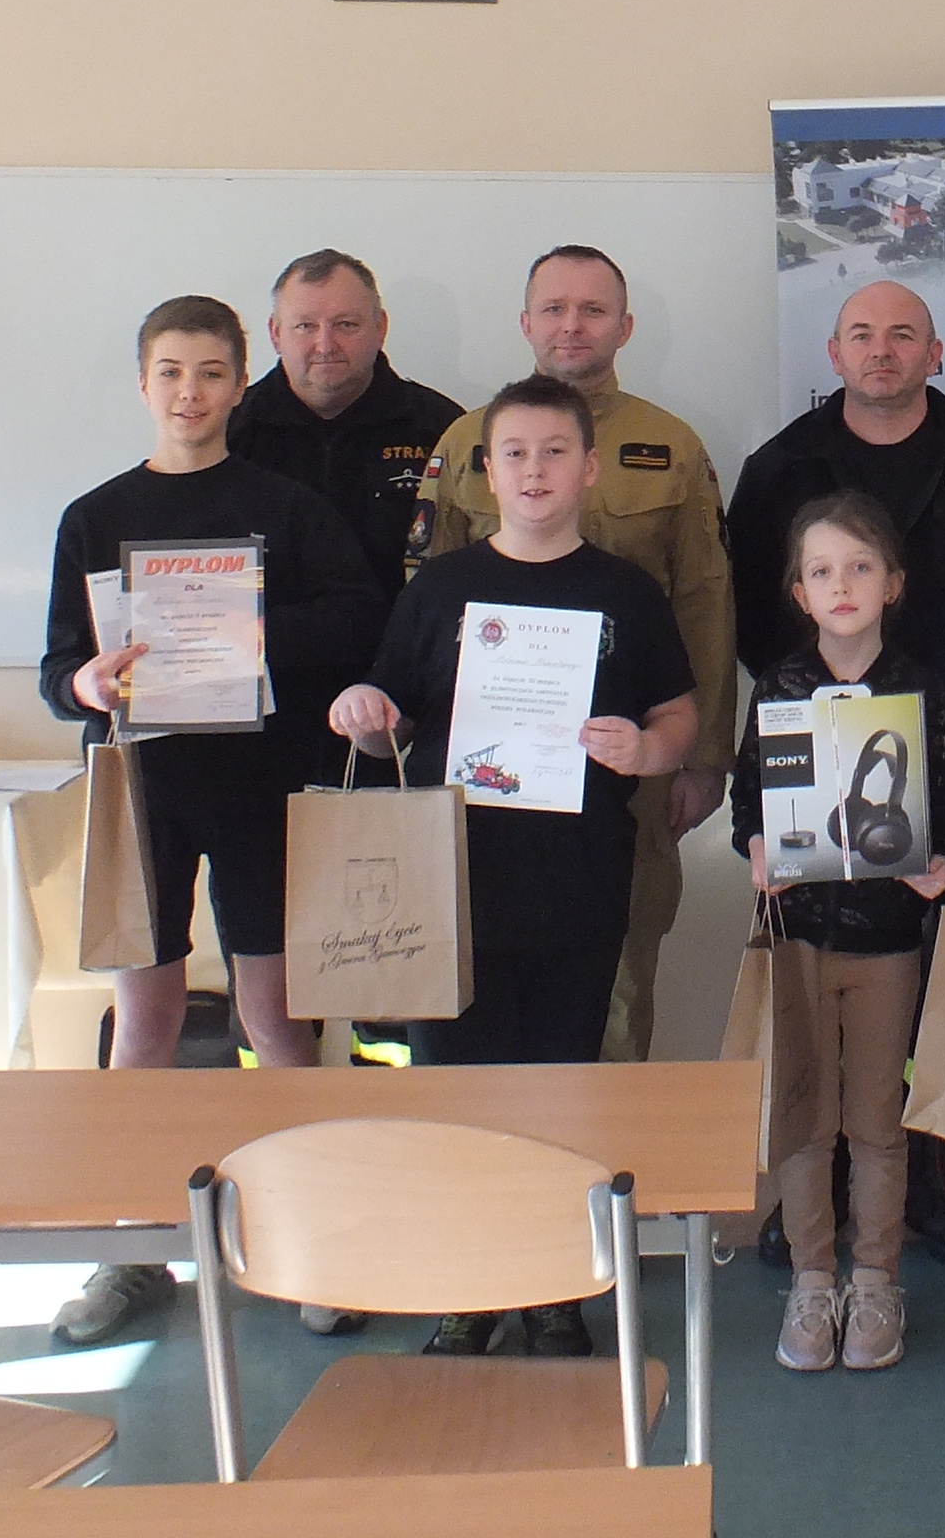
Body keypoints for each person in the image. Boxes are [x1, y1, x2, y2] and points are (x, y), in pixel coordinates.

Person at [37, 295, 385, 1345]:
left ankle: (311, 1242)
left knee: (274, 1023)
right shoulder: (95, 515)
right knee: (142, 1028)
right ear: (143, 385)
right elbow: (58, 670)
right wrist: (87, 685)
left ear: (241, 384)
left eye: (210, 373)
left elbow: (356, 615)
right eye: (170, 373)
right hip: (141, 789)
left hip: (260, 787)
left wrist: (247, 630)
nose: (189, 393)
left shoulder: (284, 506)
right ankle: (133, 1250)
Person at [331, 373, 700, 1358]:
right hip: (453, 889)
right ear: (485, 473)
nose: (534, 471)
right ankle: (472, 1286)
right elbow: (389, 718)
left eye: (554, 452)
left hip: (578, 882)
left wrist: (648, 751)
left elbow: (677, 715)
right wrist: (361, 711)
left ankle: (553, 1288)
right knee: (458, 1094)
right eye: (515, 454)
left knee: (562, 1089)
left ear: (589, 468)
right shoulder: (440, 588)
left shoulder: (625, 593)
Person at [727, 279, 945, 1266]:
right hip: (817, 761)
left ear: (935, 354)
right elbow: (749, 617)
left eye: (903, 335)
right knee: (821, 1006)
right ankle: (819, 1189)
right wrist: (813, 717)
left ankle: (935, 1177)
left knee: (933, 988)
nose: (881, 350)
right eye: (862, 334)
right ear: (834, 353)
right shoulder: (780, 467)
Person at [405, 246, 736, 1066]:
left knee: (613, 979)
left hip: (618, 776)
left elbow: (704, 604)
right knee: (465, 995)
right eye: (554, 308)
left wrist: (702, 757)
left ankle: (602, 1146)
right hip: (480, 788)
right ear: (526, 323)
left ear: (625, 326)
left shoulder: (673, 445)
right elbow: (424, 596)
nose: (572, 326)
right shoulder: (467, 439)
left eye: (593, 310)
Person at [728, 492, 945, 1375]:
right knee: (804, 1119)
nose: (842, 584)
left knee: (875, 1121)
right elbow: (750, 799)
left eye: (861, 567)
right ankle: (812, 1278)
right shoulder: (781, 688)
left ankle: (875, 1280)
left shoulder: (921, 687)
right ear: (799, 592)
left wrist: (941, 861)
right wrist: (757, 847)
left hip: (887, 941)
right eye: (822, 571)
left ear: (893, 583)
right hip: (797, 936)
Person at [225, 249, 466, 599]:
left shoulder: (443, 429)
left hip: (402, 635)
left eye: (346, 325)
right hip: (270, 635)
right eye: (305, 326)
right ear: (275, 334)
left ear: (380, 328)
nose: (325, 345)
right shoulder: (230, 430)